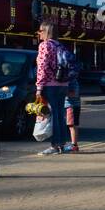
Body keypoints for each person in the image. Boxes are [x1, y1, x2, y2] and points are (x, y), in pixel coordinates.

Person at [34, 21, 69, 157]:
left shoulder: (45, 45)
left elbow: (42, 67)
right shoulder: (60, 45)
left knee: (52, 115)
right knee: (60, 115)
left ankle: (54, 146)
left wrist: (39, 87)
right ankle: (61, 144)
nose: (38, 33)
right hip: (62, 84)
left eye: (40, 31)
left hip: (50, 85)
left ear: (45, 32)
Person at [64, 74, 81, 153]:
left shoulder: (72, 82)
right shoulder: (71, 81)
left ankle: (74, 145)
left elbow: (74, 94)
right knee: (72, 126)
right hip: (71, 105)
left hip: (72, 105)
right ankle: (73, 145)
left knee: (72, 126)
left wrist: (63, 92)